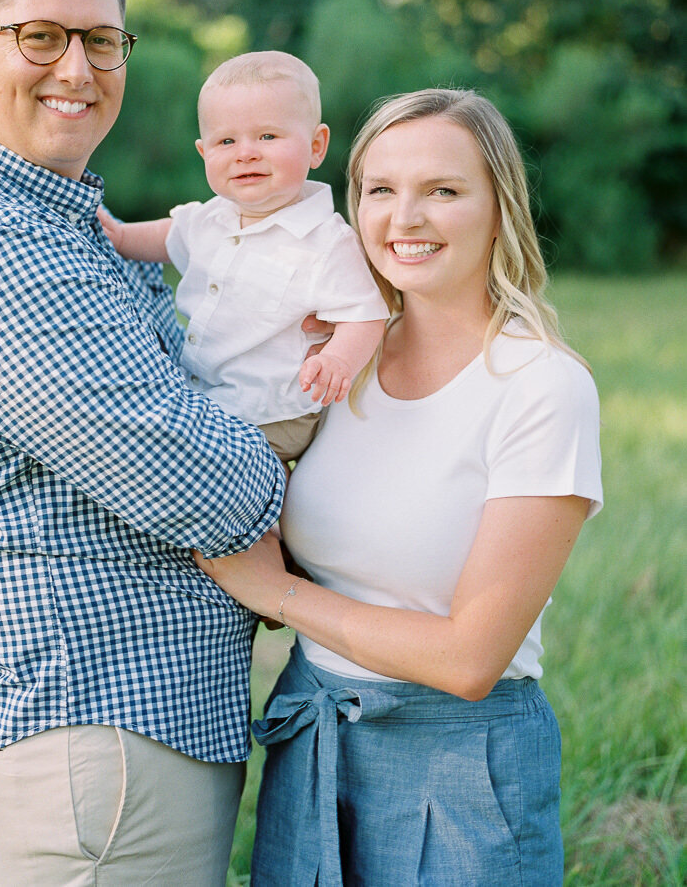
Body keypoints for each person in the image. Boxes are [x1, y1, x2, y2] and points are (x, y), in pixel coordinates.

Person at [0, 0, 285, 887]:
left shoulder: (57, 223)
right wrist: (300, 447)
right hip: (91, 738)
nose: (80, 66)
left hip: (119, 727)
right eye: (43, 36)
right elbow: (202, 484)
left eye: (103, 40)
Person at [194, 88, 603, 887]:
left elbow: (468, 658)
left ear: (497, 207)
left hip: (459, 762)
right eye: (380, 190)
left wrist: (277, 595)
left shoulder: (540, 386)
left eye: (443, 190)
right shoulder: (338, 364)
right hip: (315, 740)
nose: (404, 218)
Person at [101, 51, 387, 462]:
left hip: (272, 414)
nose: (246, 153)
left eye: (268, 137)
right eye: (226, 141)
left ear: (316, 146)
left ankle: (263, 512)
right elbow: (169, 236)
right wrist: (122, 236)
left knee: (207, 477)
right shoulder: (208, 219)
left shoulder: (326, 242)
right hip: (206, 399)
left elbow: (364, 314)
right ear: (204, 153)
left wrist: (338, 358)